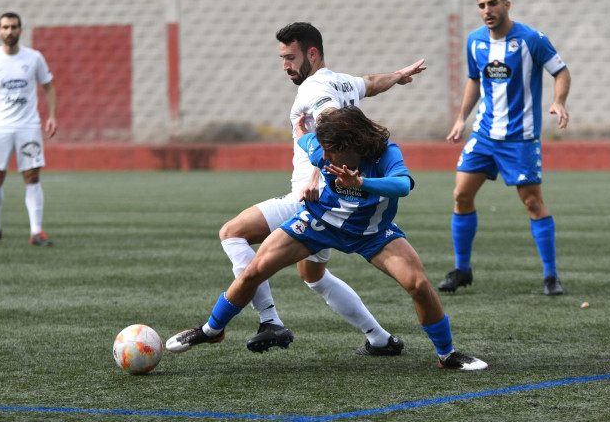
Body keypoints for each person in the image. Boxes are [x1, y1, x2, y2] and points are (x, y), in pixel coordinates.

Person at [167, 106, 488, 371]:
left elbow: (403, 186)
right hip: (320, 221)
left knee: (418, 285)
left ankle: (447, 355)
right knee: (254, 270)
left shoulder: (386, 154)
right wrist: (305, 143)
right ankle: (212, 330)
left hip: (372, 232)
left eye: (336, 153)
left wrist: (361, 182)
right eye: (326, 154)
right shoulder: (322, 149)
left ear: (356, 143)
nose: (329, 159)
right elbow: (302, 136)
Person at [217, 22, 426, 354]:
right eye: (283, 58)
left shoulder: (313, 90)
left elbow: (330, 124)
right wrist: (398, 75)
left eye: (290, 57)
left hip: (312, 199)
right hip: (338, 199)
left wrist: (317, 175)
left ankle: (268, 320)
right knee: (313, 275)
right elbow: (371, 83)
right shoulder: (342, 81)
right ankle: (380, 339)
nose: (285, 65)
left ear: (311, 53)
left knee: (232, 232)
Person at [439, 0, 571, 295]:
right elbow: (475, 79)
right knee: (461, 196)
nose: (487, 11)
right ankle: (462, 269)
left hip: (520, 139)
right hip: (484, 135)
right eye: (482, 5)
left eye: (493, 4)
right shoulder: (474, 41)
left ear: (507, 5)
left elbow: (561, 72)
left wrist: (559, 101)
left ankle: (551, 276)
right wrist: (461, 119)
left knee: (533, 203)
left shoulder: (531, 40)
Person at [0, 12, 58, 246]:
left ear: (21, 30)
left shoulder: (34, 58)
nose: (10, 31)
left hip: (28, 126)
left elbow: (49, 87)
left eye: (14, 27)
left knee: (32, 176)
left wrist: (52, 116)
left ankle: (37, 232)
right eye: (6, 27)